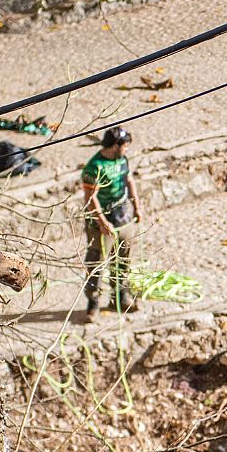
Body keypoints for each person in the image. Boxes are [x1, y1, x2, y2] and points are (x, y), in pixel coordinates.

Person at [80, 126, 143, 320]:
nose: (126, 150)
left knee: (123, 256)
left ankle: (121, 295)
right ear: (115, 145)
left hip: (123, 216)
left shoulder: (122, 159)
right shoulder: (94, 167)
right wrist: (102, 221)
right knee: (97, 261)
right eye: (125, 146)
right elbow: (90, 197)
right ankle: (94, 301)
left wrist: (137, 205)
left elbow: (129, 180)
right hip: (100, 221)